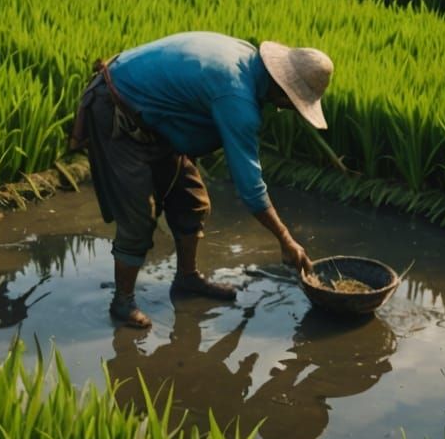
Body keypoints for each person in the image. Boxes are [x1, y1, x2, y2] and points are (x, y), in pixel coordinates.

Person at [71, 33, 330, 329]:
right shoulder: (236, 97)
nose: (286, 108)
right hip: (118, 108)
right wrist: (286, 240)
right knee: (138, 217)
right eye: (292, 102)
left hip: (156, 119)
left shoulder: (247, 61)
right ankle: (122, 302)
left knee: (191, 201)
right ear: (282, 89)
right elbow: (251, 188)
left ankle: (187, 279)